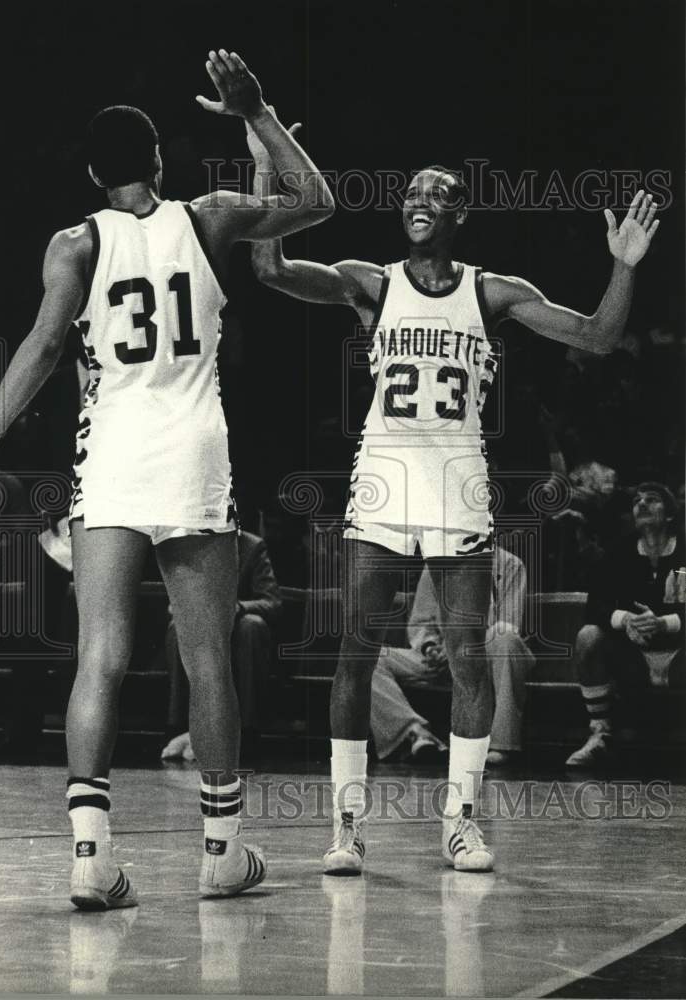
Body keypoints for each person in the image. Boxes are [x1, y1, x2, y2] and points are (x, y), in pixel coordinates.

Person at [0, 50, 334, 908]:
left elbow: (44, 349)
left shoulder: (74, 241)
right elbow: (316, 202)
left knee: (102, 657)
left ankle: (90, 860)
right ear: (160, 163)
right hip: (194, 454)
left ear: (90, 171)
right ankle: (221, 851)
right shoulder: (210, 217)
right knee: (207, 658)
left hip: (111, 456)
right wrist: (256, 112)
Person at [250, 137, 659, 873]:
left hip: (458, 483)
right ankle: (346, 826)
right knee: (355, 651)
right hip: (381, 476)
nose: (416, 201)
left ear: (459, 213)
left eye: (434, 193)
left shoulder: (489, 291)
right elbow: (268, 268)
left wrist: (622, 268)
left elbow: (598, 336)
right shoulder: (368, 282)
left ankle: (460, 821)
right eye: (408, 191)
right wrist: (261, 161)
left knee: (469, 655)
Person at [371, 547, 534, 766]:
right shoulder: (435, 565)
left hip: (482, 660)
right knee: (369, 657)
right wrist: (430, 647)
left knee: (506, 639)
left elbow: (507, 625)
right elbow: (421, 622)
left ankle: (502, 745)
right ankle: (414, 733)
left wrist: (460, 649)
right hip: (438, 659)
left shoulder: (510, 565)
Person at [566, 482, 685, 767]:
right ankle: (600, 734)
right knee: (588, 636)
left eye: (651, 500)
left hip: (681, 653)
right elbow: (595, 606)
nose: (641, 505)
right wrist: (626, 620)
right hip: (633, 656)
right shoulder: (619, 551)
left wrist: (664, 623)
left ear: (669, 514)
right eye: (637, 501)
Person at [161, 529, 283, 761]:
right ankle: (178, 727)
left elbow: (272, 601)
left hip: (239, 625)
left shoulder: (252, 546)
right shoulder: (188, 542)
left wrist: (237, 607)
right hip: (201, 620)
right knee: (179, 627)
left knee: (251, 627)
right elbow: (173, 602)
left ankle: (247, 732)